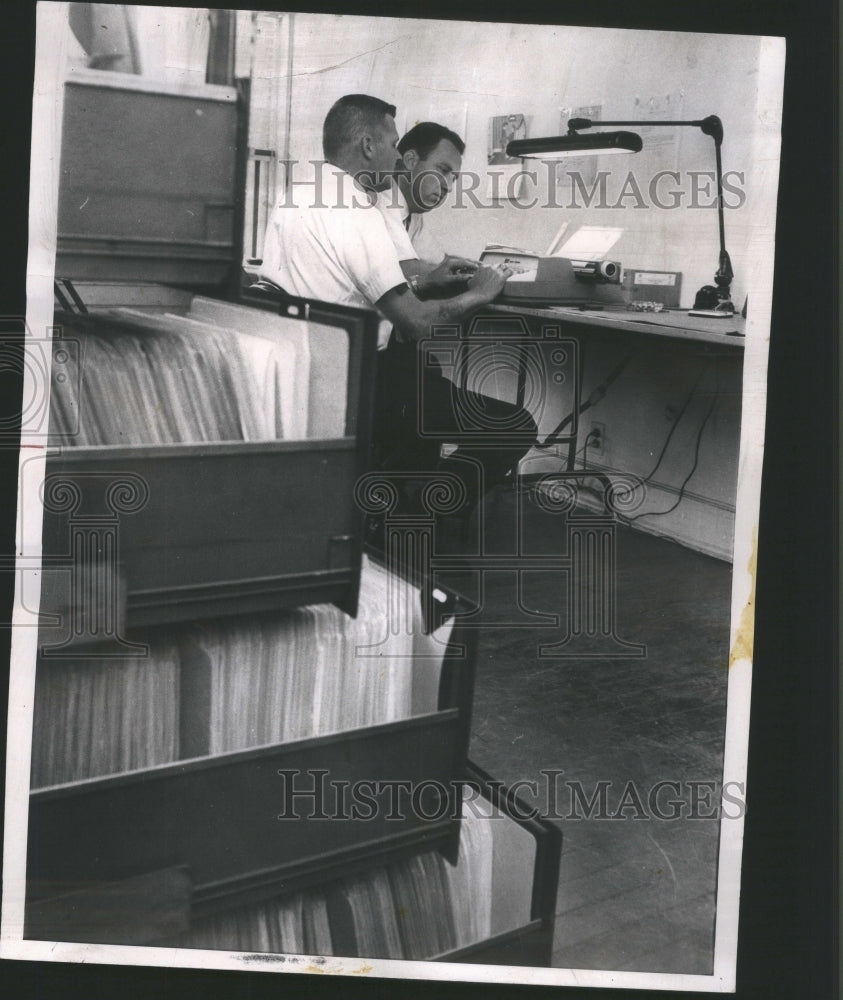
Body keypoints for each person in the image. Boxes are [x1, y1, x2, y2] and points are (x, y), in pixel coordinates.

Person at [259, 94, 537, 532]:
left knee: (423, 381)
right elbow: (417, 322)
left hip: (309, 375)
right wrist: (480, 294)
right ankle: (418, 517)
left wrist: (427, 280)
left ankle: (399, 508)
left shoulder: (301, 192)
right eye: (392, 144)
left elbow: (345, 280)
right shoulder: (361, 210)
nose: (397, 158)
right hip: (363, 382)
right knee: (514, 424)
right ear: (368, 145)